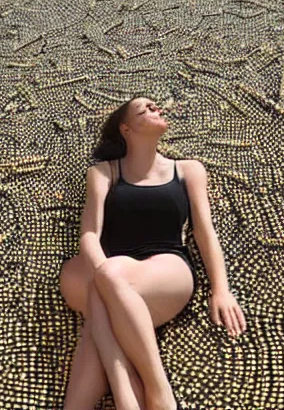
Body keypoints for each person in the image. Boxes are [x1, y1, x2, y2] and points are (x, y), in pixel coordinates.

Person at [59, 95, 247, 410]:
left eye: (155, 106)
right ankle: (149, 393)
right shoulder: (104, 173)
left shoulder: (188, 170)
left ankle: (140, 391)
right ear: (126, 129)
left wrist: (221, 289)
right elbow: (90, 232)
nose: (155, 108)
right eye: (143, 108)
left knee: (100, 309)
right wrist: (105, 272)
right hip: (108, 267)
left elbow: (203, 232)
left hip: (165, 266)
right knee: (102, 288)